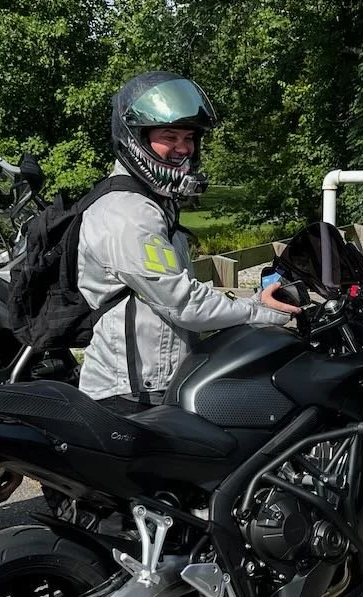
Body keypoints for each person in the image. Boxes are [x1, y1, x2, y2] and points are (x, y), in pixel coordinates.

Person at [77, 71, 299, 413]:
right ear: (136, 138)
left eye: (189, 137)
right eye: (169, 136)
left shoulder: (155, 205)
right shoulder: (127, 213)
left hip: (157, 382)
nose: (183, 148)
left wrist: (255, 301)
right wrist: (260, 312)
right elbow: (183, 304)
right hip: (129, 395)